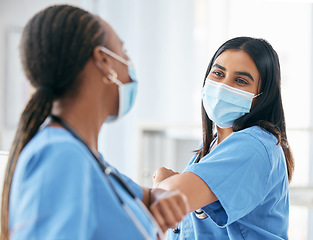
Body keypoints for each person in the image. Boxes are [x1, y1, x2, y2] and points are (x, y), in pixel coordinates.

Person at [0, 5, 189, 240]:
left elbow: (146, 197)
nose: (130, 65)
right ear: (103, 61)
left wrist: (160, 196)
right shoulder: (61, 155)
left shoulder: (88, 159)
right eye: (124, 51)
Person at [152, 37, 294, 239]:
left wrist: (162, 179)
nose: (223, 86)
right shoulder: (211, 148)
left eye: (241, 81)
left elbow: (169, 197)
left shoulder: (254, 145)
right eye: (218, 73)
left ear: (262, 96)